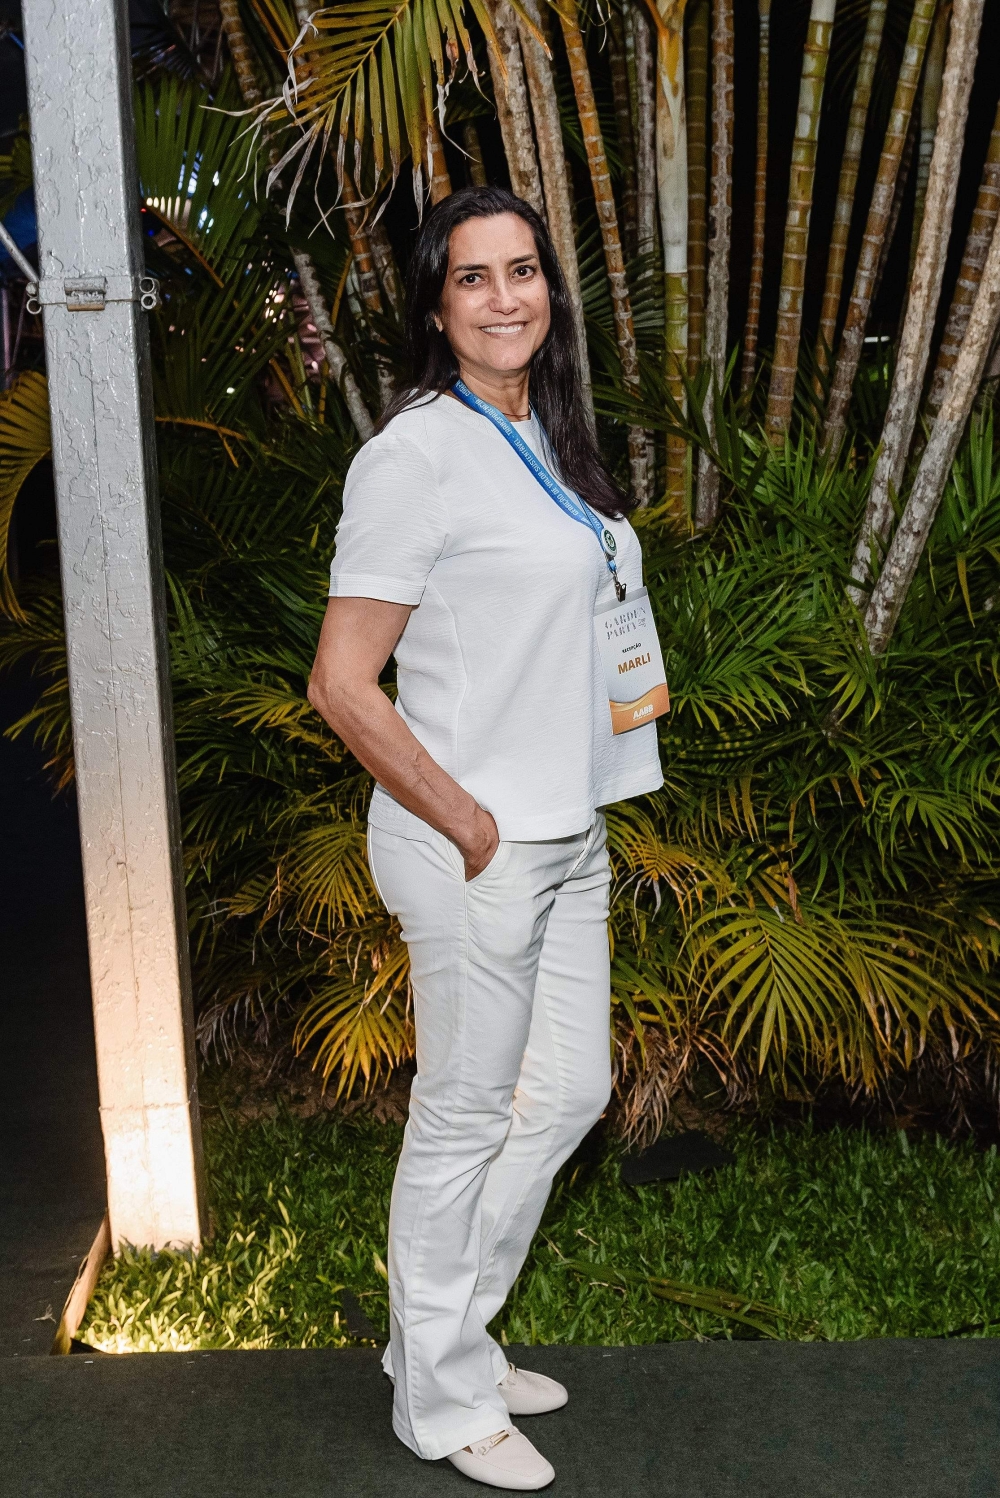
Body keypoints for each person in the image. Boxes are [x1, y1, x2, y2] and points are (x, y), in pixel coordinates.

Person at [307, 185, 664, 1491]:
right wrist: (468, 822)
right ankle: (442, 1399)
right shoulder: (414, 457)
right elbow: (341, 682)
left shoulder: (548, 435)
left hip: (568, 830)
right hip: (472, 842)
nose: (506, 297)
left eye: (524, 271)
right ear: (434, 306)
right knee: (462, 1114)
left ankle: (442, 1333)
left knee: (566, 1094)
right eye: (474, 276)